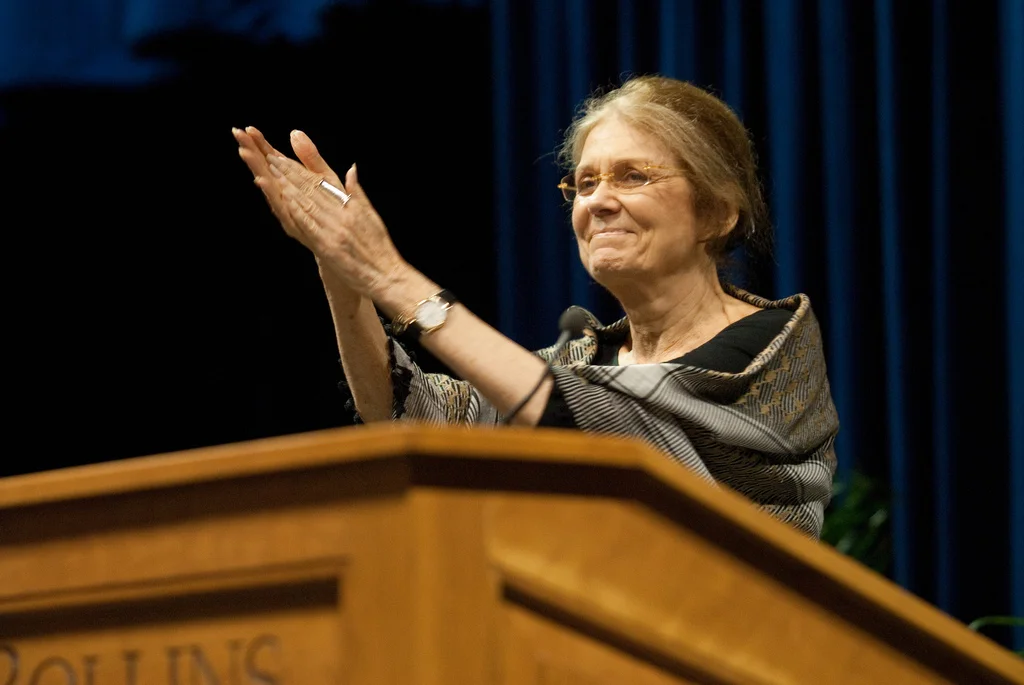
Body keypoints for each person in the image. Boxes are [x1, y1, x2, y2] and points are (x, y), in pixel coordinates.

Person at [233, 75, 839, 538]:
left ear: (717, 212)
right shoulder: (579, 361)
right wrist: (342, 272)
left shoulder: (772, 352)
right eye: (586, 182)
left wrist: (390, 276)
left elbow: (608, 428)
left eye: (632, 176)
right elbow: (411, 413)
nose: (597, 202)